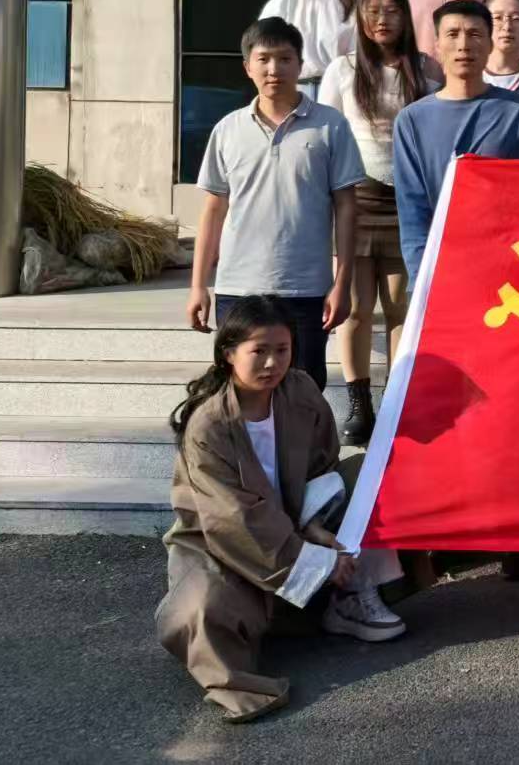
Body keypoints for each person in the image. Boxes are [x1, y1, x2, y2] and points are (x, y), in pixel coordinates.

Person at [156, 295, 406, 724]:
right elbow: (232, 519)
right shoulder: (209, 425)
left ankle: (350, 596)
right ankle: (268, 633)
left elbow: (323, 463)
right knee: (197, 609)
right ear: (228, 353)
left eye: (282, 350)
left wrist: (314, 525)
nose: (272, 363)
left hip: (293, 518)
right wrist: (313, 560)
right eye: (259, 351)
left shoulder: (299, 390)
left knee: (370, 478)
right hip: (220, 543)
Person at [186, 17, 364, 392]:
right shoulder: (228, 129)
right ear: (247, 66)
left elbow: (347, 209)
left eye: (285, 59)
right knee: (238, 390)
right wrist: (199, 285)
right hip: (238, 287)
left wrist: (342, 283)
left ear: (300, 65)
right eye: (263, 59)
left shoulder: (331, 126)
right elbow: (213, 211)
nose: (274, 69)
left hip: (306, 288)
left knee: (303, 389)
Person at [316, 0, 439, 444]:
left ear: (406, 17)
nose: (382, 20)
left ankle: (394, 400)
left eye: (392, 11)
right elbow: (326, 135)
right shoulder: (342, 69)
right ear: (360, 20)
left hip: (409, 198)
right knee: (355, 309)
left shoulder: (426, 69)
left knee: (400, 308)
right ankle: (358, 402)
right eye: (373, 12)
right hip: (356, 197)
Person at [392, 0, 519, 288]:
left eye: (475, 34)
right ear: (436, 45)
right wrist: (423, 282)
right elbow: (413, 213)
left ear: (491, 44)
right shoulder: (412, 120)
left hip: (512, 275)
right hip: (441, 274)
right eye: (452, 34)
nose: (464, 45)